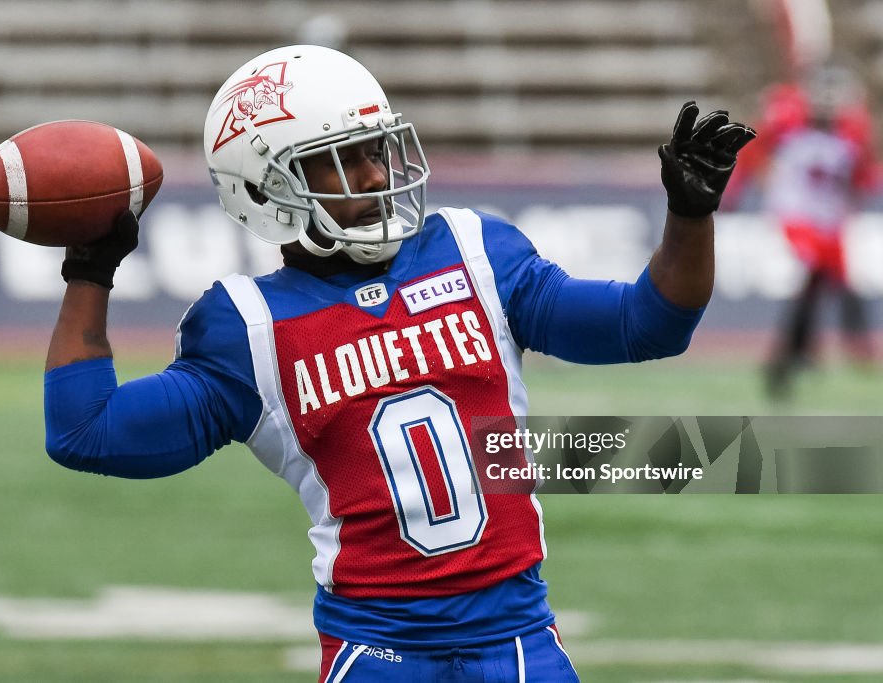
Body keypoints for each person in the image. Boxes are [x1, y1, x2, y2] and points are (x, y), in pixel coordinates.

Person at [43, 45, 754, 682]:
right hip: (377, 652)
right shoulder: (247, 326)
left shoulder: (477, 251)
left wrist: (689, 217)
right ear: (264, 189)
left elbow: (647, 323)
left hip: (518, 640)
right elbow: (87, 432)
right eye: (342, 158)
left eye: (376, 147)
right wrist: (91, 272)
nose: (376, 171)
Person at [733, 57, 875, 398]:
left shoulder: (855, 129)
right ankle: (787, 361)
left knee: (832, 282)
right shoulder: (786, 118)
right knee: (813, 277)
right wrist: (744, 187)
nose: (826, 103)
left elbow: (860, 175)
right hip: (795, 212)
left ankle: (807, 352)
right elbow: (751, 148)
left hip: (830, 218)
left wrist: (853, 196)